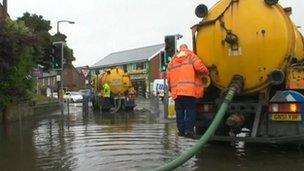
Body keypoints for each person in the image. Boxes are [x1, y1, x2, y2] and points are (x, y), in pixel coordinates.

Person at [167, 44, 209, 138]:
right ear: (186, 48)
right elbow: (199, 67)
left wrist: (171, 89)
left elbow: (168, 78)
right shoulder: (191, 56)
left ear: (179, 50)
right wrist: (207, 72)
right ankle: (189, 131)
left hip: (177, 92)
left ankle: (181, 131)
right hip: (189, 91)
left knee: (179, 111)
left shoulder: (172, 61)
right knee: (190, 110)